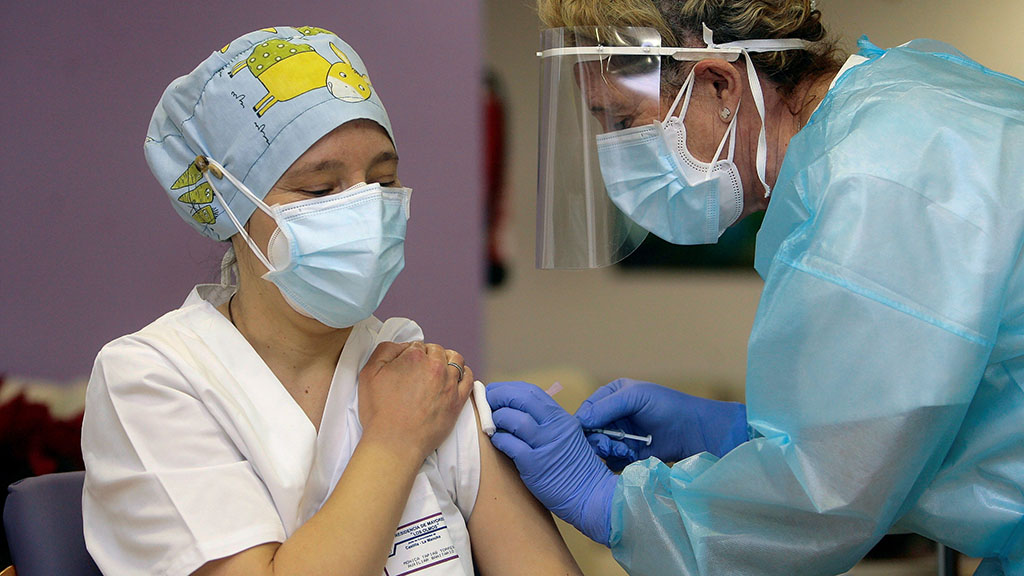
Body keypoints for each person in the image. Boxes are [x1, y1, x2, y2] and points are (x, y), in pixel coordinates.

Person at [486, 1, 1024, 574]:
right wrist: (738, 432)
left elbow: (823, 503)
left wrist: (614, 504)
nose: (617, 159)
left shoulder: (872, 179)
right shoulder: (899, 106)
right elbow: (924, 410)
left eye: (622, 123)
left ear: (719, 85)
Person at [81, 26, 582, 576]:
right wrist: (394, 440)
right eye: (319, 191)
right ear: (230, 202)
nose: (366, 209)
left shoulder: (415, 368)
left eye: (384, 180)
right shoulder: (153, 379)